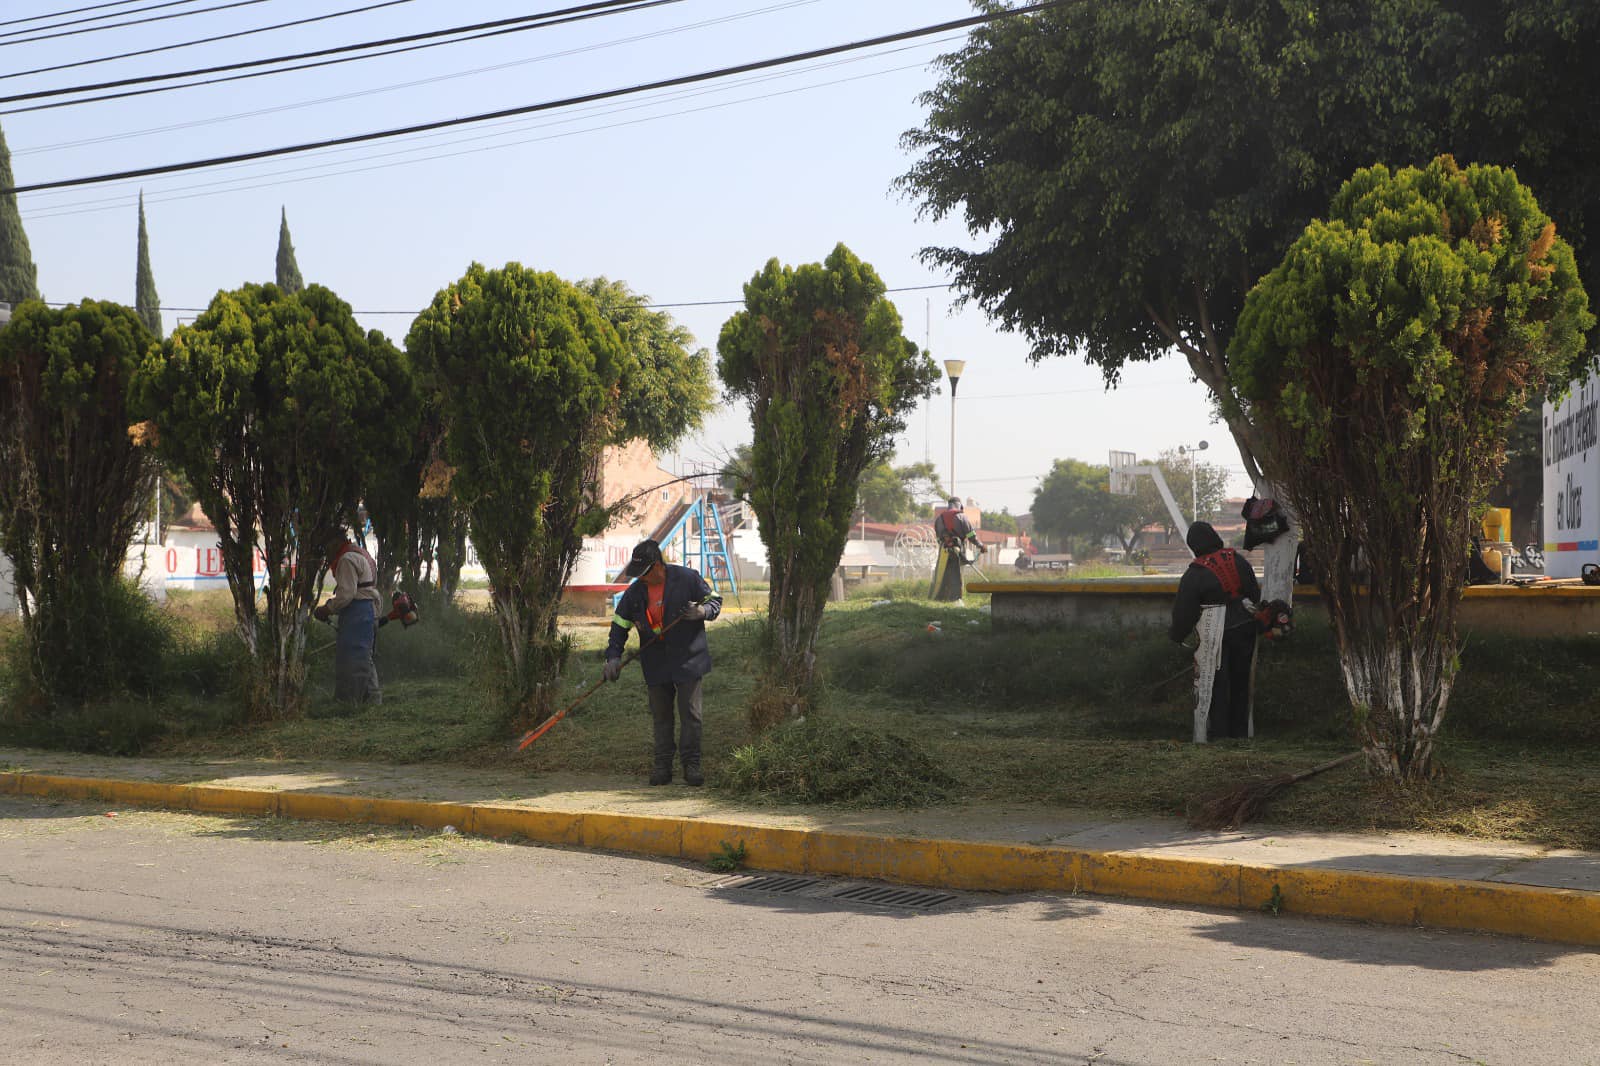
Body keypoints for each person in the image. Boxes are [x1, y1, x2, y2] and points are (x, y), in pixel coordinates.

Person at [603, 539, 722, 786]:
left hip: (688, 659)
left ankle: (691, 765)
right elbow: (620, 625)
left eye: (644, 574)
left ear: (657, 566)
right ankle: (662, 767)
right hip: (656, 662)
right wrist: (613, 656)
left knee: (691, 715)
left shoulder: (687, 578)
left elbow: (714, 600)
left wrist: (702, 612)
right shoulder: (635, 593)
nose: (641, 579)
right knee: (661, 717)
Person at [1170, 521, 1260, 739]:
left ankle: (1219, 734)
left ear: (1194, 545)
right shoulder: (1238, 561)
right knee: (1240, 682)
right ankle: (1239, 733)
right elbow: (1254, 595)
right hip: (1246, 629)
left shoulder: (1195, 573)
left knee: (1216, 685)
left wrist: (1177, 636)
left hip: (1215, 636)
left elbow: (1185, 612)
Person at [313, 529, 383, 704]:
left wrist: (327, 609)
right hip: (367, 610)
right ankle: (372, 699)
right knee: (365, 657)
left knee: (353, 659)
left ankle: (350, 701)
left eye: (327, 545)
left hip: (358, 612)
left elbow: (346, 595)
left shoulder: (346, 559)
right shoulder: (357, 552)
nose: (327, 551)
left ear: (336, 542)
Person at [929, 496, 978, 601]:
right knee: (957, 575)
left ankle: (940, 598)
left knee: (942, 576)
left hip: (944, 552)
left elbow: (938, 538)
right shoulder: (961, 517)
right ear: (959, 505)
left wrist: (945, 543)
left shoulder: (939, 518)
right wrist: (980, 545)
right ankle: (956, 599)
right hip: (957, 551)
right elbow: (971, 535)